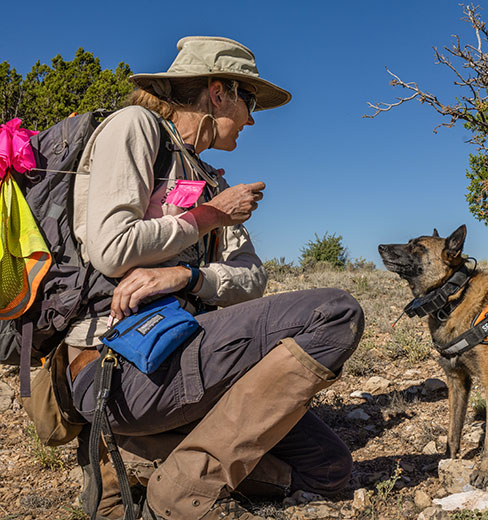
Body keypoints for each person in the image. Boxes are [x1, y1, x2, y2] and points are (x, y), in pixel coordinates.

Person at [65, 36, 364, 520]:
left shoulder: (211, 178)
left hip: (181, 352)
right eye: (248, 102)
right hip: (116, 366)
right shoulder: (135, 127)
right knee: (337, 313)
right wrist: (207, 216)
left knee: (328, 469)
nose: (251, 118)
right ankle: (178, 491)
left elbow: (252, 278)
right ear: (219, 92)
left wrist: (185, 276)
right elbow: (110, 247)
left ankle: (147, 452)